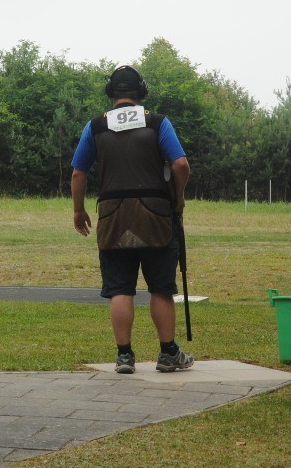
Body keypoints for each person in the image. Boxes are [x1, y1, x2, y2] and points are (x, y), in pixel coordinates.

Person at [71, 65, 194, 374]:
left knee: (120, 288)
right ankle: (168, 354)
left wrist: (78, 210)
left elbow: (78, 171)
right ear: (140, 92)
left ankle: (124, 356)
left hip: (112, 218)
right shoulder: (157, 123)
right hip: (156, 217)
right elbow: (180, 163)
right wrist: (177, 199)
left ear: (111, 93)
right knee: (161, 289)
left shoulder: (95, 127)